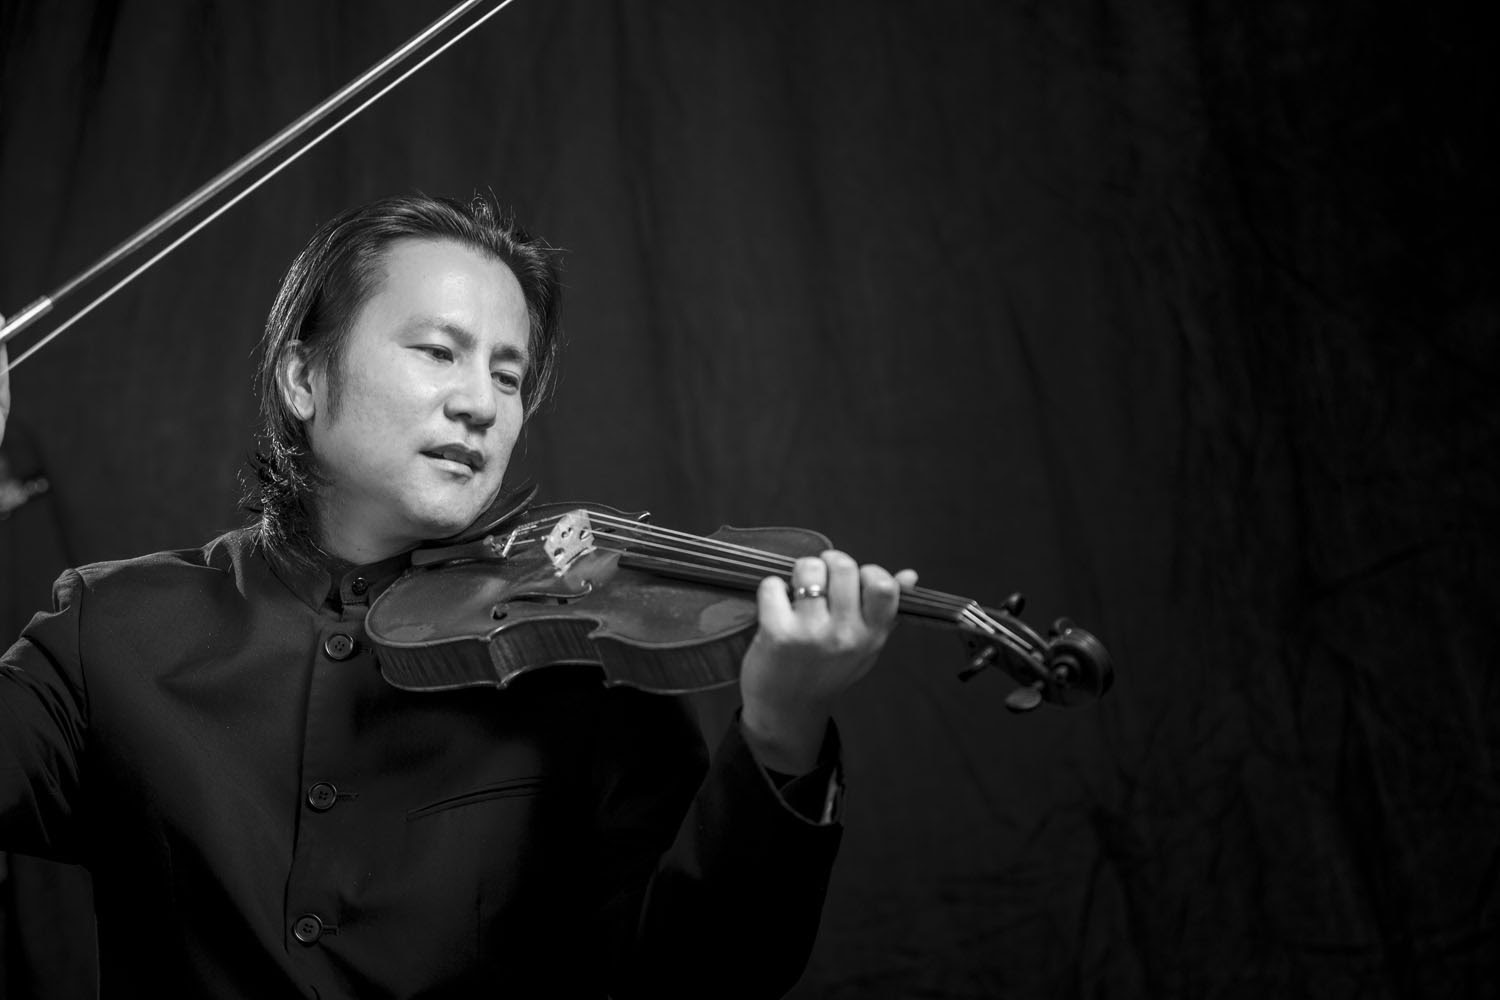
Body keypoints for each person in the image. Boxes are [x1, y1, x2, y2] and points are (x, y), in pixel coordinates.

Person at [0, 193, 916, 998]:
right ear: (304, 379)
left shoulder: (581, 664)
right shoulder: (111, 630)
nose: (481, 404)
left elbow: (707, 975)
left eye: (508, 376)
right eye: (439, 351)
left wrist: (782, 729)